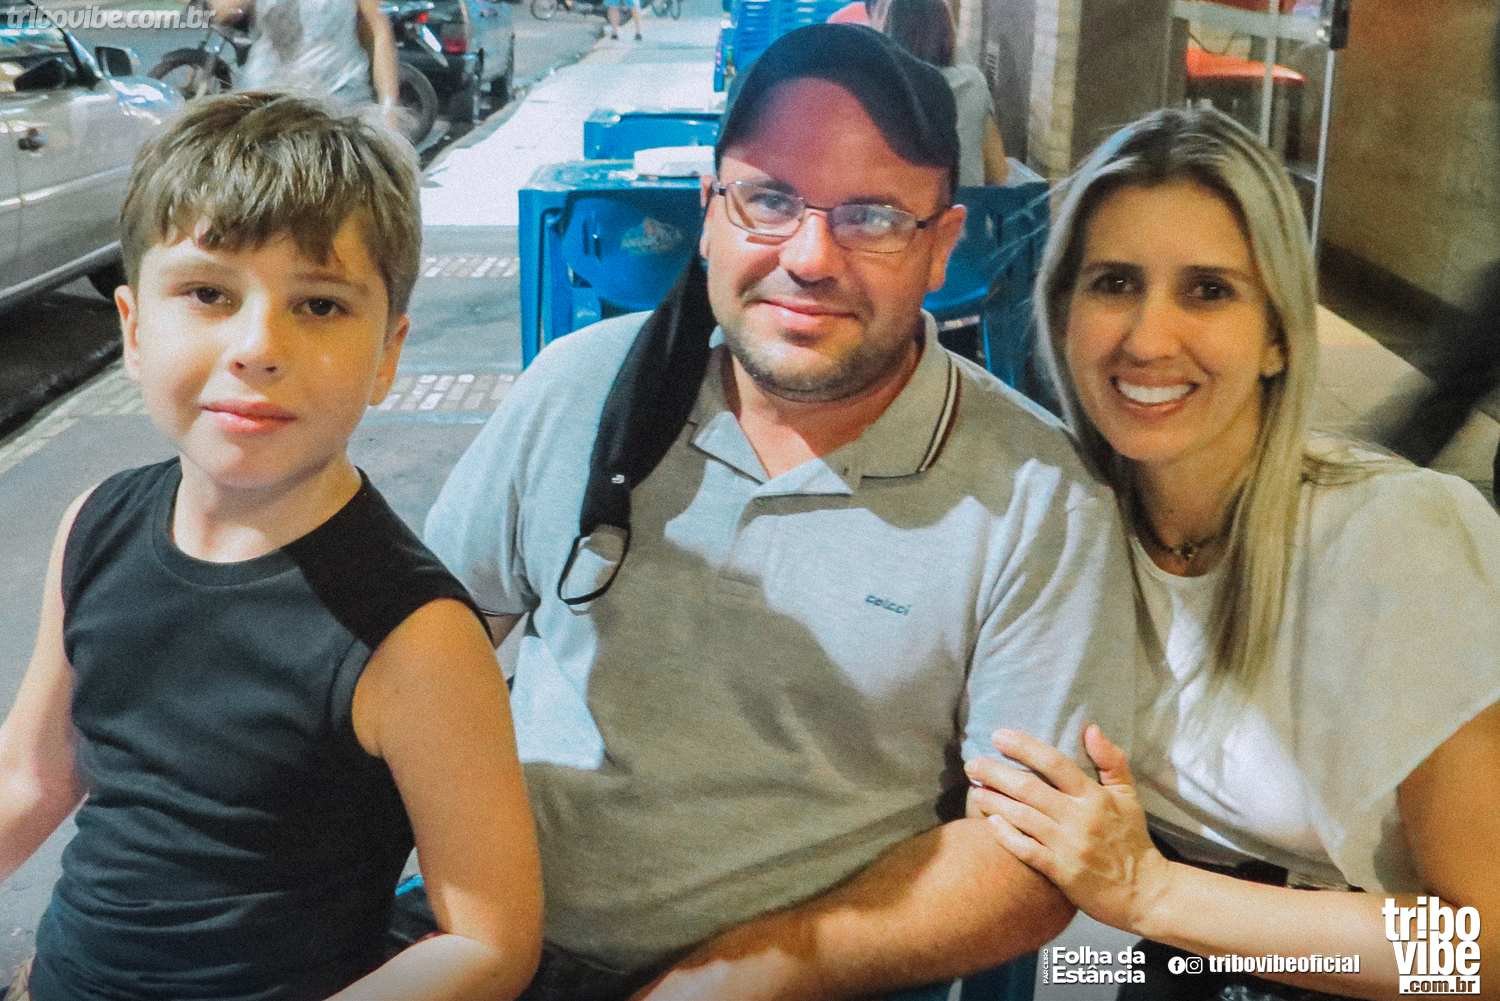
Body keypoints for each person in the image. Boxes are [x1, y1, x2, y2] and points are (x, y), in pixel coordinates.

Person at [422, 23, 1133, 1001]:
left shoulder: (1037, 497)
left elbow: (1031, 856)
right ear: (709, 214)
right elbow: (426, 645)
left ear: (941, 247)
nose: (810, 256)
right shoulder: (581, 388)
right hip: (491, 944)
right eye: (769, 200)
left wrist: (734, 977)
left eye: (874, 217)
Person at [0, 93, 542, 1001]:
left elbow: (488, 939)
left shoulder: (417, 637)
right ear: (134, 329)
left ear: (387, 354)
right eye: (209, 294)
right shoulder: (97, 524)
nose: (258, 346)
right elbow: (31, 775)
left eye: (320, 304)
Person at [964, 107, 1500, 1000]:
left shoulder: (1398, 543)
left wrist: (1153, 891)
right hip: (1159, 960)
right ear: (1062, 313)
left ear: (1279, 334)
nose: (1147, 338)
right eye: (1114, 282)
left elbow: (1480, 951)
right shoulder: (1058, 520)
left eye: (1208, 290)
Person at [882, 0, 1008, 186]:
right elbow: (998, 173)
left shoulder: (880, 88)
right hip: (965, 203)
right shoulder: (972, 82)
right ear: (946, 33)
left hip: (902, 203)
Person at [212, 0, 400, 119]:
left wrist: (389, 110)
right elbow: (224, 11)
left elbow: (378, 30)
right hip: (268, 100)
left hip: (340, 99)